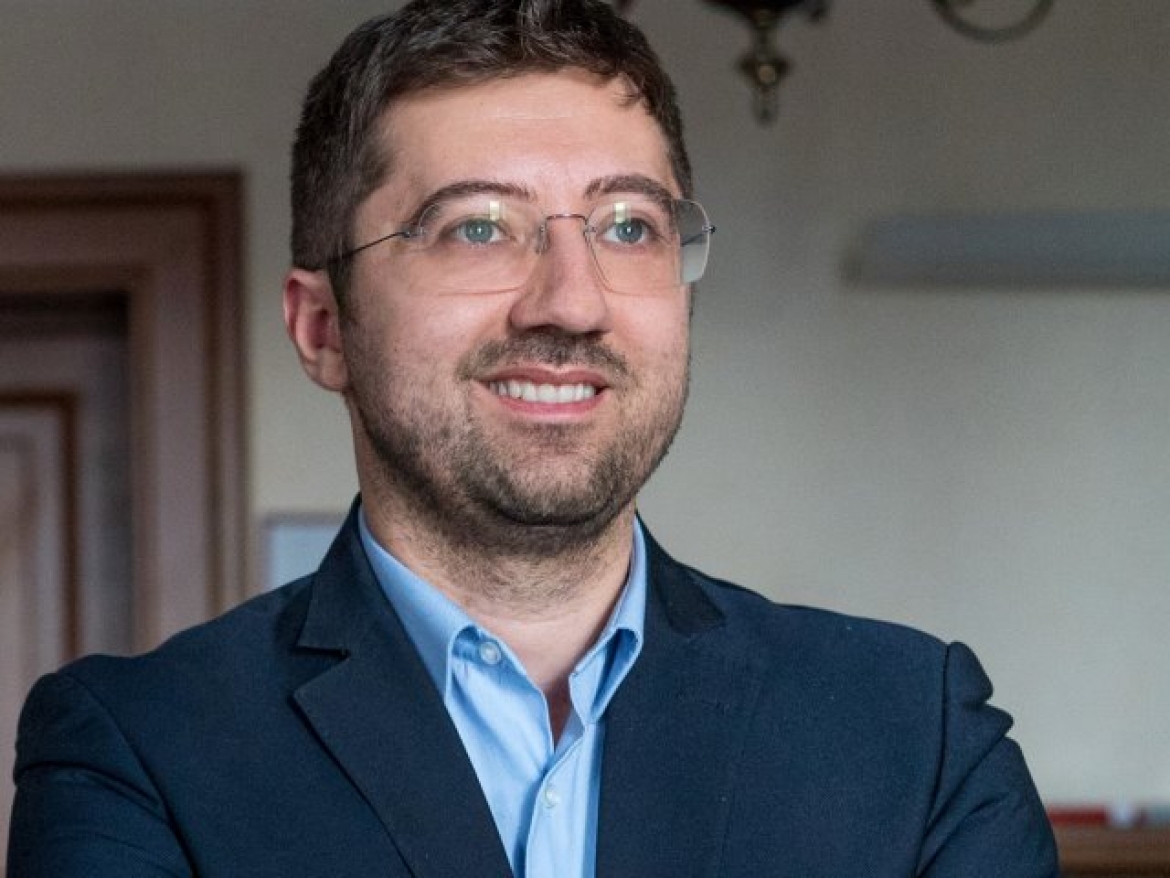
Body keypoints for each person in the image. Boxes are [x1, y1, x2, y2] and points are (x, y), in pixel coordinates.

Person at [6, 1, 1059, 875]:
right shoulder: (137, 752)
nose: (572, 302)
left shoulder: (917, 734)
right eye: (478, 226)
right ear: (323, 328)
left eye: (629, 227)